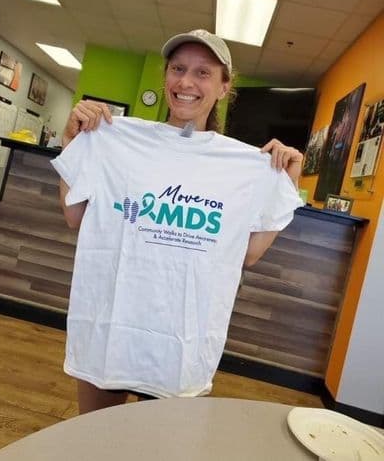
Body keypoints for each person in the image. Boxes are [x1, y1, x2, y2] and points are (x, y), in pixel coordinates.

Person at [52, 29, 303, 414]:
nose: (186, 82)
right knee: (93, 437)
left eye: (203, 73)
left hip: (179, 342)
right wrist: (71, 140)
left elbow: (249, 254)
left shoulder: (243, 166)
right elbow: (74, 216)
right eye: (178, 69)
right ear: (166, 76)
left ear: (224, 87)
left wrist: (288, 180)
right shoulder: (116, 139)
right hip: (109, 328)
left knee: (160, 442)